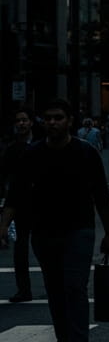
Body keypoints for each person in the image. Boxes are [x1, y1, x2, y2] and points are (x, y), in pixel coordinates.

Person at [0, 100, 109, 342]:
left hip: (79, 230)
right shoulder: (32, 154)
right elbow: (14, 195)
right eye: (48, 118)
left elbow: (101, 196)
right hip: (44, 232)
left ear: (70, 121)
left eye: (58, 117)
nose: (52, 123)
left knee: (74, 287)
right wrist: (3, 227)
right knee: (55, 290)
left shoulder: (85, 153)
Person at [1, 106, 38, 302]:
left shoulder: (41, 146)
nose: (21, 123)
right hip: (20, 204)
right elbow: (4, 177)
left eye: (24, 120)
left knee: (46, 246)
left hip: (41, 204)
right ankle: (23, 289)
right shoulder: (12, 150)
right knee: (20, 249)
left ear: (31, 122)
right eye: (18, 121)